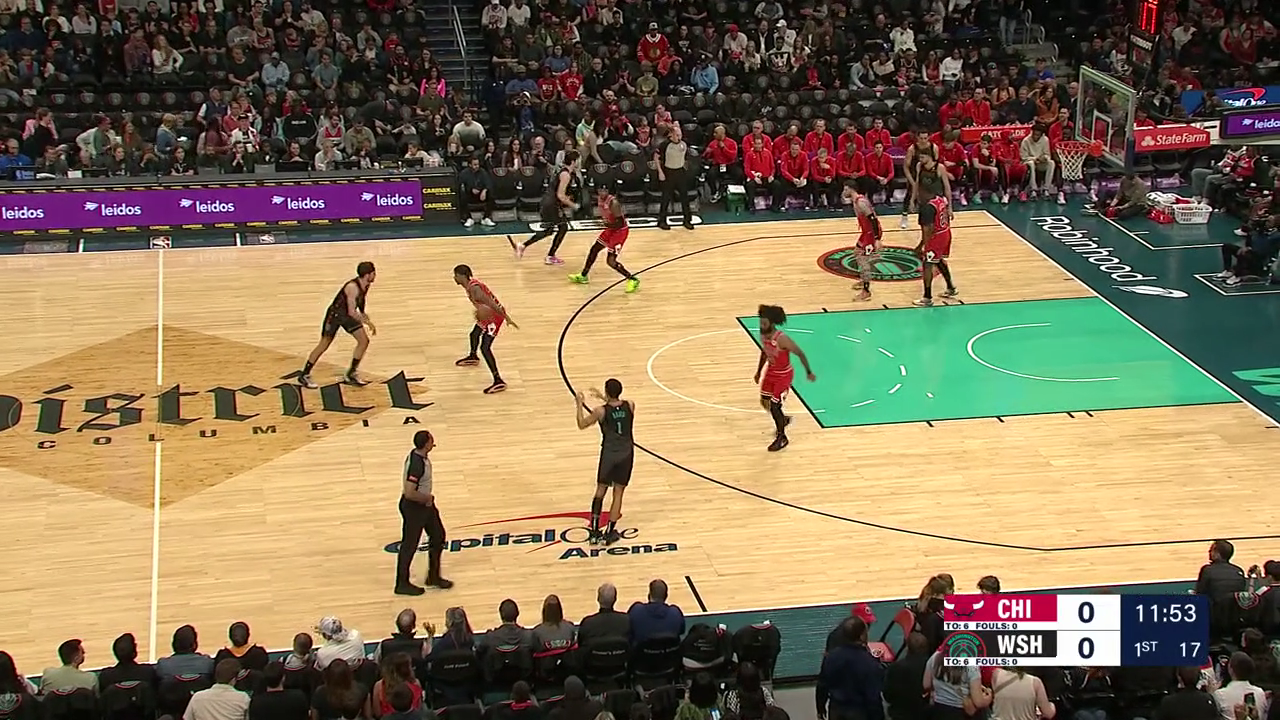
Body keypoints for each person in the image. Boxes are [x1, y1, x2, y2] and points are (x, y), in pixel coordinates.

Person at [298, 261, 377, 389]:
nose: (375, 275)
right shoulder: (352, 287)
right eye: (374, 273)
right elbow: (352, 312)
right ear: (367, 275)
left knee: (364, 341)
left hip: (347, 316)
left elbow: (361, 300)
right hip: (335, 315)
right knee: (324, 344)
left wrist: (363, 313)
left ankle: (351, 373)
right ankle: (304, 374)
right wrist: (367, 322)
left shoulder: (366, 284)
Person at [575, 378, 635, 545]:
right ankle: (610, 532)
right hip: (626, 454)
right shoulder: (630, 405)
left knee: (600, 491)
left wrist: (579, 404)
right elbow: (617, 408)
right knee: (618, 493)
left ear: (607, 391)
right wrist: (602, 397)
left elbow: (582, 424)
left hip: (609, 454)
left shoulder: (600, 411)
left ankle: (595, 531)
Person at [395, 429, 452, 595]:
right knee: (409, 545)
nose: (433, 442)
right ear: (426, 444)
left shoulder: (419, 455)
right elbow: (409, 492)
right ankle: (401, 584)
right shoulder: (417, 464)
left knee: (438, 536)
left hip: (425, 506)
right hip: (414, 507)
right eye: (431, 440)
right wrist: (426, 498)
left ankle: (433, 577)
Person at [753, 305, 816, 452]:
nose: (761, 325)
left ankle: (782, 437)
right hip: (771, 372)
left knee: (775, 406)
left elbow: (800, 353)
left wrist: (808, 372)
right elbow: (765, 352)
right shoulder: (763, 335)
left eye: (764, 323)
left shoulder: (782, 339)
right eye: (760, 322)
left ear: (772, 323)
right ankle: (783, 419)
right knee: (765, 402)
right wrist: (759, 371)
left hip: (783, 375)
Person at [453, 264, 517, 394]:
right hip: (487, 315)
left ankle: (498, 380)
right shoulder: (470, 285)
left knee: (485, 348)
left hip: (494, 317)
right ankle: (473, 356)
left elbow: (491, 303)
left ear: (461, 276)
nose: (454, 278)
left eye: (456, 275)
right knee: (474, 334)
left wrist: (506, 318)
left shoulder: (475, 289)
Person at [569, 187, 639, 293]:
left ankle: (632, 279)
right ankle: (583, 276)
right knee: (594, 249)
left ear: (608, 191)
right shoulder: (599, 199)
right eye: (600, 190)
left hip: (619, 232)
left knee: (610, 261)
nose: (602, 192)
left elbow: (620, 223)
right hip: (611, 229)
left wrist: (605, 224)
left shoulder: (613, 203)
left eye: (605, 190)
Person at [517, 150, 580, 265]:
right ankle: (550, 256)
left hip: (547, 202)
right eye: (577, 160)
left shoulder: (562, 171)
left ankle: (524, 245)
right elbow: (560, 195)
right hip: (551, 204)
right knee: (563, 227)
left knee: (550, 230)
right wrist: (573, 205)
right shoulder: (565, 175)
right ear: (573, 161)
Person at [912, 196, 958, 307]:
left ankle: (927, 298)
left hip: (936, 237)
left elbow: (929, 230)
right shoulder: (940, 199)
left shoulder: (927, 208)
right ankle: (951, 288)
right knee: (938, 260)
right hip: (945, 232)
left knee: (927, 264)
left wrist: (921, 246)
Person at [846, 185, 883, 302]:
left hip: (871, 234)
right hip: (866, 232)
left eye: (845, 189)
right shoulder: (857, 201)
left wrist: (877, 239)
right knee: (857, 252)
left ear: (851, 189)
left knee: (863, 261)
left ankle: (866, 292)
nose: (843, 192)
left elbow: (873, 219)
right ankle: (863, 280)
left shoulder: (861, 203)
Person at [655, 125, 695, 230]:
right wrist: (660, 172)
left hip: (680, 171)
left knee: (684, 197)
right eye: (677, 135)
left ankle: (687, 220)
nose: (679, 137)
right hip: (668, 172)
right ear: (671, 135)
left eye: (680, 135)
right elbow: (656, 157)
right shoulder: (664, 145)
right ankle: (662, 221)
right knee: (666, 197)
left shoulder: (684, 144)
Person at [901, 129, 939, 229]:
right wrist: (911, 181)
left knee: (931, 197)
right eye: (921, 138)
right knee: (909, 195)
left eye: (925, 138)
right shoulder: (912, 149)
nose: (923, 140)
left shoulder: (934, 147)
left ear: (928, 138)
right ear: (917, 138)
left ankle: (933, 218)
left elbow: (936, 164)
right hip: (914, 174)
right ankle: (904, 216)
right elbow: (906, 167)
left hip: (928, 175)